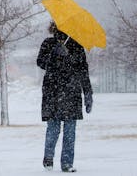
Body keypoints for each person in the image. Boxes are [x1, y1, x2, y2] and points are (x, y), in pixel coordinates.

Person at [36, 21, 93, 173]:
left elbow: (83, 71)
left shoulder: (77, 46)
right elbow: (40, 63)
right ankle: (48, 158)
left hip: (72, 92)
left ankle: (67, 163)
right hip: (52, 91)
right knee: (53, 128)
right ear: (55, 28)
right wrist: (54, 54)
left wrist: (88, 92)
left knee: (70, 131)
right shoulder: (48, 43)